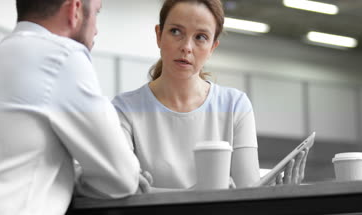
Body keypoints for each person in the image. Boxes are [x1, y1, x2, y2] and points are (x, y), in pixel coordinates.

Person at [112, 0, 308, 192]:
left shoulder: (235, 105)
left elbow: (247, 194)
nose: (187, 47)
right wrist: (201, 194)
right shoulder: (124, 108)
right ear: (159, 35)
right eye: (175, 31)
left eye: (200, 37)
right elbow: (123, 191)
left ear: (213, 47)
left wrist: (279, 195)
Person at [0, 0, 142, 214]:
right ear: (75, 10)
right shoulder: (62, 56)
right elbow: (121, 177)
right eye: (96, 13)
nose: (96, 29)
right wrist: (75, 182)